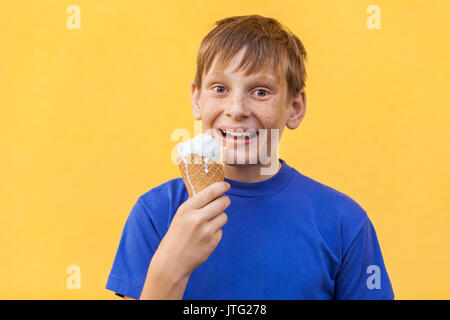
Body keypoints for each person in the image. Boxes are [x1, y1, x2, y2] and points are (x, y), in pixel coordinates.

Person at [105, 15, 394, 300]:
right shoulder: (155, 213)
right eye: (220, 89)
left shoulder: (345, 222)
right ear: (197, 99)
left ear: (294, 108)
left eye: (260, 91)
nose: (237, 109)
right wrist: (169, 270)